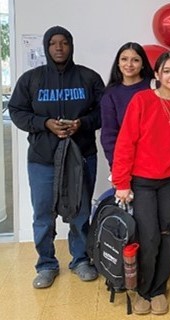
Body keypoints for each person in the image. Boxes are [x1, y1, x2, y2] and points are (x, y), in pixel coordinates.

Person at [9, 25, 105, 289]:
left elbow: (105, 112)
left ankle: (81, 260)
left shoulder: (89, 77)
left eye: (64, 42)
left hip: (82, 156)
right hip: (42, 159)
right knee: (43, 213)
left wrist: (82, 124)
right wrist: (44, 123)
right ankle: (46, 264)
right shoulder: (31, 79)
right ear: (46, 47)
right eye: (53, 43)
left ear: (71, 46)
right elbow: (16, 110)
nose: (59, 47)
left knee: (80, 210)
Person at [112, 52, 170, 315]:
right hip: (143, 183)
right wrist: (122, 182)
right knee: (148, 239)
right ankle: (142, 289)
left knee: (168, 237)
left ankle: (159, 289)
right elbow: (126, 143)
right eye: (167, 71)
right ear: (157, 74)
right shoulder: (142, 101)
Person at [100, 42, 155, 168]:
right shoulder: (110, 94)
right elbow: (109, 135)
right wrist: (116, 166)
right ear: (118, 63)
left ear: (142, 64)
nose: (129, 64)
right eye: (124, 59)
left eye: (135, 60)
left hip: (156, 161)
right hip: (127, 162)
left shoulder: (155, 87)